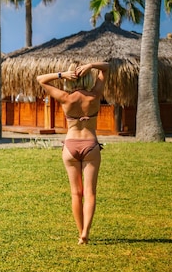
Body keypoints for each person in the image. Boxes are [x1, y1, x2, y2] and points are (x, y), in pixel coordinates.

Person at [37, 61, 110, 245]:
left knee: (76, 193)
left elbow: (41, 79)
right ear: (87, 77)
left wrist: (62, 75)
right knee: (90, 193)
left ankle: (81, 234)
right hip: (90, 145)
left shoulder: (65, 97)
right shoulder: (94, 95)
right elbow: (107, 67)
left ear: (71, 78)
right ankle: (86, 231)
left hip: (70, 146)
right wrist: (91, 65)